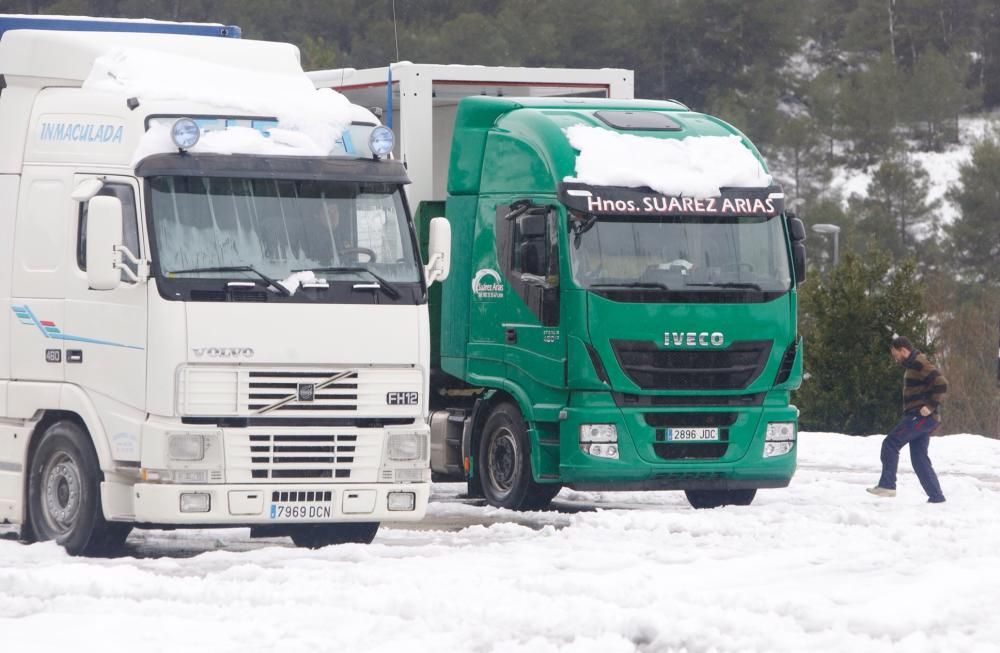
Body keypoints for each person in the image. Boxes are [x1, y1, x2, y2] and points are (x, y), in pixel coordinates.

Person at [867, 336, 948, 503]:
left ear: (904, 350)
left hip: (920, 417)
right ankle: (937, 497)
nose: (895, 358)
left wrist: (930, 406)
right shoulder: (913, 364)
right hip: (922, 418)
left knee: (890, 443)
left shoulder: (919, 362)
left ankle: (887, 485)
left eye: (896, 354)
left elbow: (941, 383)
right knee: (919, 458)